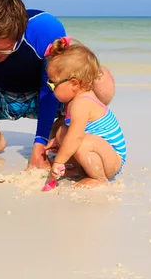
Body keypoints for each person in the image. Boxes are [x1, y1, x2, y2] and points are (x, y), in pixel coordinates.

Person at [0, 0, 115, 170]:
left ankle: (59, 131)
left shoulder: (45, 29)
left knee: (101, 80)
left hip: (45, 94)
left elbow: (50, 87)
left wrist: (39, 144)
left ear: (20, 32)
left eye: (2, 50)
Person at [44, 37, 126, 188]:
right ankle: (80, 169)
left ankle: (99, 178)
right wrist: (57, 141)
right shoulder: (76, 99)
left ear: (74, 83)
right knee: (62, 130)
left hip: (112, 160)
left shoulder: (81, 103)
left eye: (52, 83)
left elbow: (76, 137)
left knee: (78, 141)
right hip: (102, 152)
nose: (50, 87)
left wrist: (58, 162)